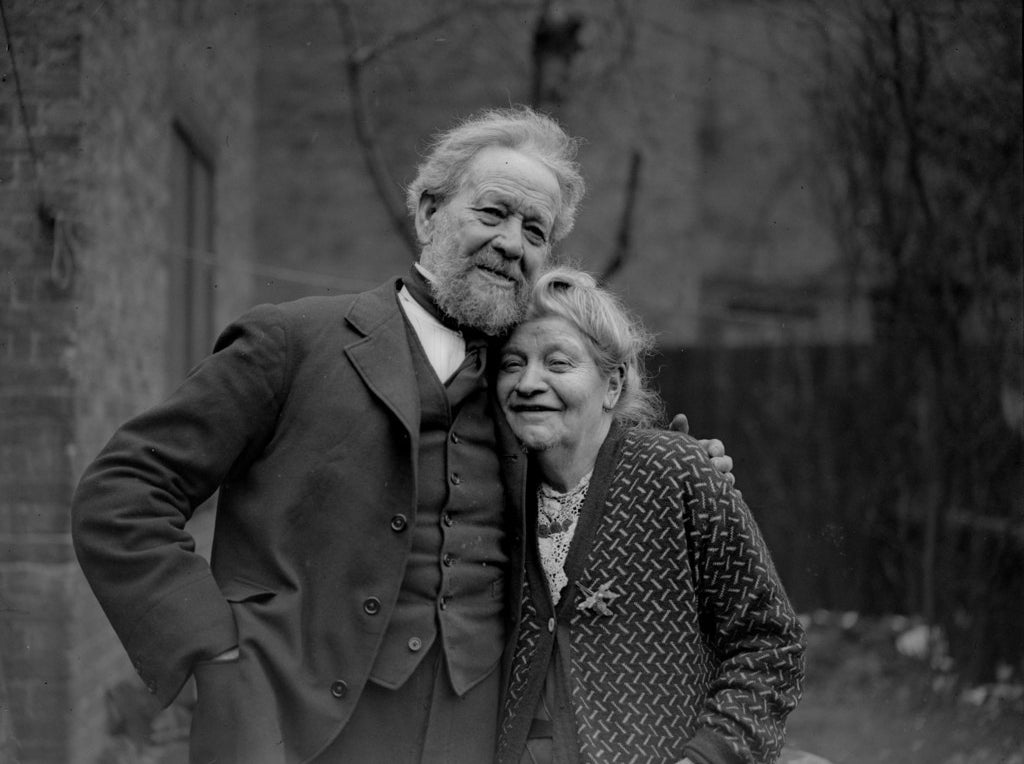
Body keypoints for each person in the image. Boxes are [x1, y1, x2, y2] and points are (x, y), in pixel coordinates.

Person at [70, 107, 734, 763]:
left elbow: (596, 484)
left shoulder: (529, 390)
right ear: (426, 214)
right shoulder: (291, 341)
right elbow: (123, 492)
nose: (512, 243)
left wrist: (683, 469)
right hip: (289, 735)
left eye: (536, 230)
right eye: (493, 212)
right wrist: (212, 651)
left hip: (475, 738)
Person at [494, 267, 805, 764]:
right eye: (513, 363)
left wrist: (709, 757)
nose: (529, 382)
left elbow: (769, 642)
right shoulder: (489, 490)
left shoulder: (676, 472)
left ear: (612, 385)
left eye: (558, 362)